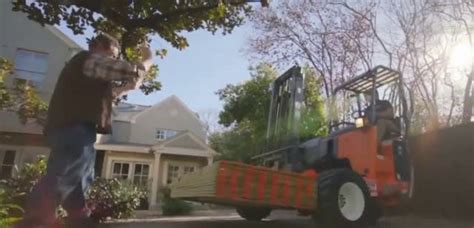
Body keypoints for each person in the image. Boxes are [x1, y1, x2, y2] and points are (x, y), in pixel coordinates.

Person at [14, 33, 153, 228]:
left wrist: (125, 89)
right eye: (111, 55)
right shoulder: (86, 59)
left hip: (77, 129)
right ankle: (34, 222)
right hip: (73, 128)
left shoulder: (86, 72)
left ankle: (79, 221)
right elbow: (131, 70)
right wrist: (147, 58)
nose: (112, 60)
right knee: (62, 176)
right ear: (97, 46)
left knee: (79, 179)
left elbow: (104, 95)